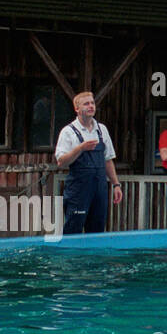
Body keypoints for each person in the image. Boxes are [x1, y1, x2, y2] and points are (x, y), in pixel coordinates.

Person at [55, 91, 122, 235]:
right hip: (78, 190)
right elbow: (61, 161)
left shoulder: (102, 129)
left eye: (92, 103)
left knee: (97, 230)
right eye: (86, 104)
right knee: (73, 229)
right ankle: (71, 257)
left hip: (99, 189)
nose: (91, 106)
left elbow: (108, 159)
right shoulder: (68, 132)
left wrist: (116, 184)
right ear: (77, 109)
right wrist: (80, 148)